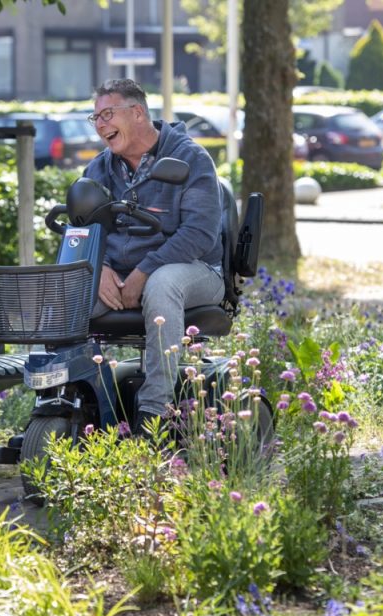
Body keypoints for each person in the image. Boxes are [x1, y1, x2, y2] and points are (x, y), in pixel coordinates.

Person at [82, 78, 224, 433]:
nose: (100, 125)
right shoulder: (99, 168)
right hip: (120, 274)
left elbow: (200, 234)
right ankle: (78, 403)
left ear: (138, 113)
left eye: (107, 114)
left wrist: (144, 271)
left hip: (195, 269)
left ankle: (154, 413)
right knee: (70, 288)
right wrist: (99, 267)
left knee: (162, 284)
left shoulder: (190, 158)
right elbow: (85, 228)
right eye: (95, 117)